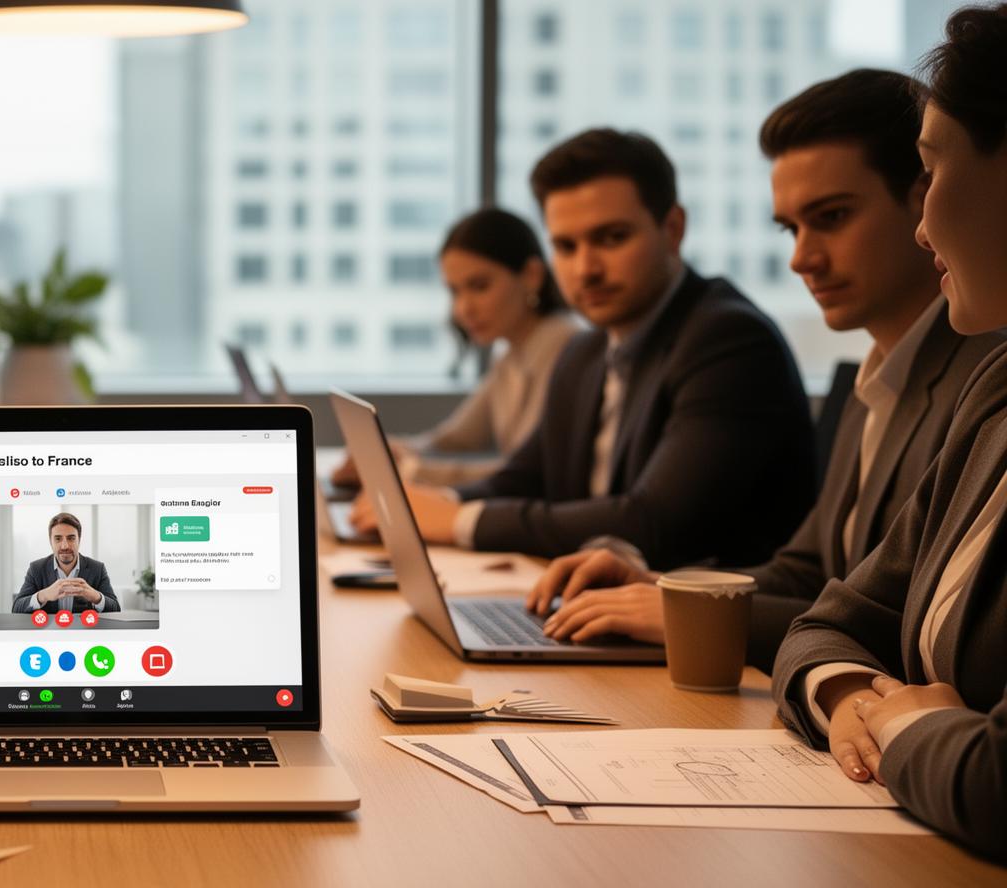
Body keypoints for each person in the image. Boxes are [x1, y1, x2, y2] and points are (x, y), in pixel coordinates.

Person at [524, 69, 1005, 669]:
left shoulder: (982, 380)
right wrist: (664, 588)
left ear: (921, 197)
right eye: (791, 228)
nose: (801, 258)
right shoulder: (873, 375)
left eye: (830, 217)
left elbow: (908, 622)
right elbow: (809, 572)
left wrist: (694, 613)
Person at [352, 129, 816, 569]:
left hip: (705, 636)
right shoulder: (587, 351)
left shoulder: (728, 340)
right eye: (566, 246)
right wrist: (435, 505)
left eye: (611, 238)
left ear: (672, 228)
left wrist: (457, 521)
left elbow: (654, 524)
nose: (585, 268)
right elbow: (525, 477)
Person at [771, 1, 1007, 862]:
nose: (923, 220)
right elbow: (828, 611)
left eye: (935, 173)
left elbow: (994, 781)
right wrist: (849, 692)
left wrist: (911, 729)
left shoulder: (972, 372)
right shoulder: (998, 392)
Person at [335, 208, 579, 487]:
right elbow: (454, 440)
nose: (463, 308)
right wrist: (391, 452)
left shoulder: (567, 347)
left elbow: (528, 474)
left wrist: (413, 470)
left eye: (479, 286)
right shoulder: (511, 356)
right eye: (454, 291)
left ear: (531, 275)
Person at [11, 511, 119, 615]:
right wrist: (43, 595)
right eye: (58, 539)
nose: (65, 546)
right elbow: (16, 608)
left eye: (71, 538)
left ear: (79, 540)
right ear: (50, 541)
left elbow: (116, 609)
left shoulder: (97, 568)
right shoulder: (36, 568)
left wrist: (95, 597)